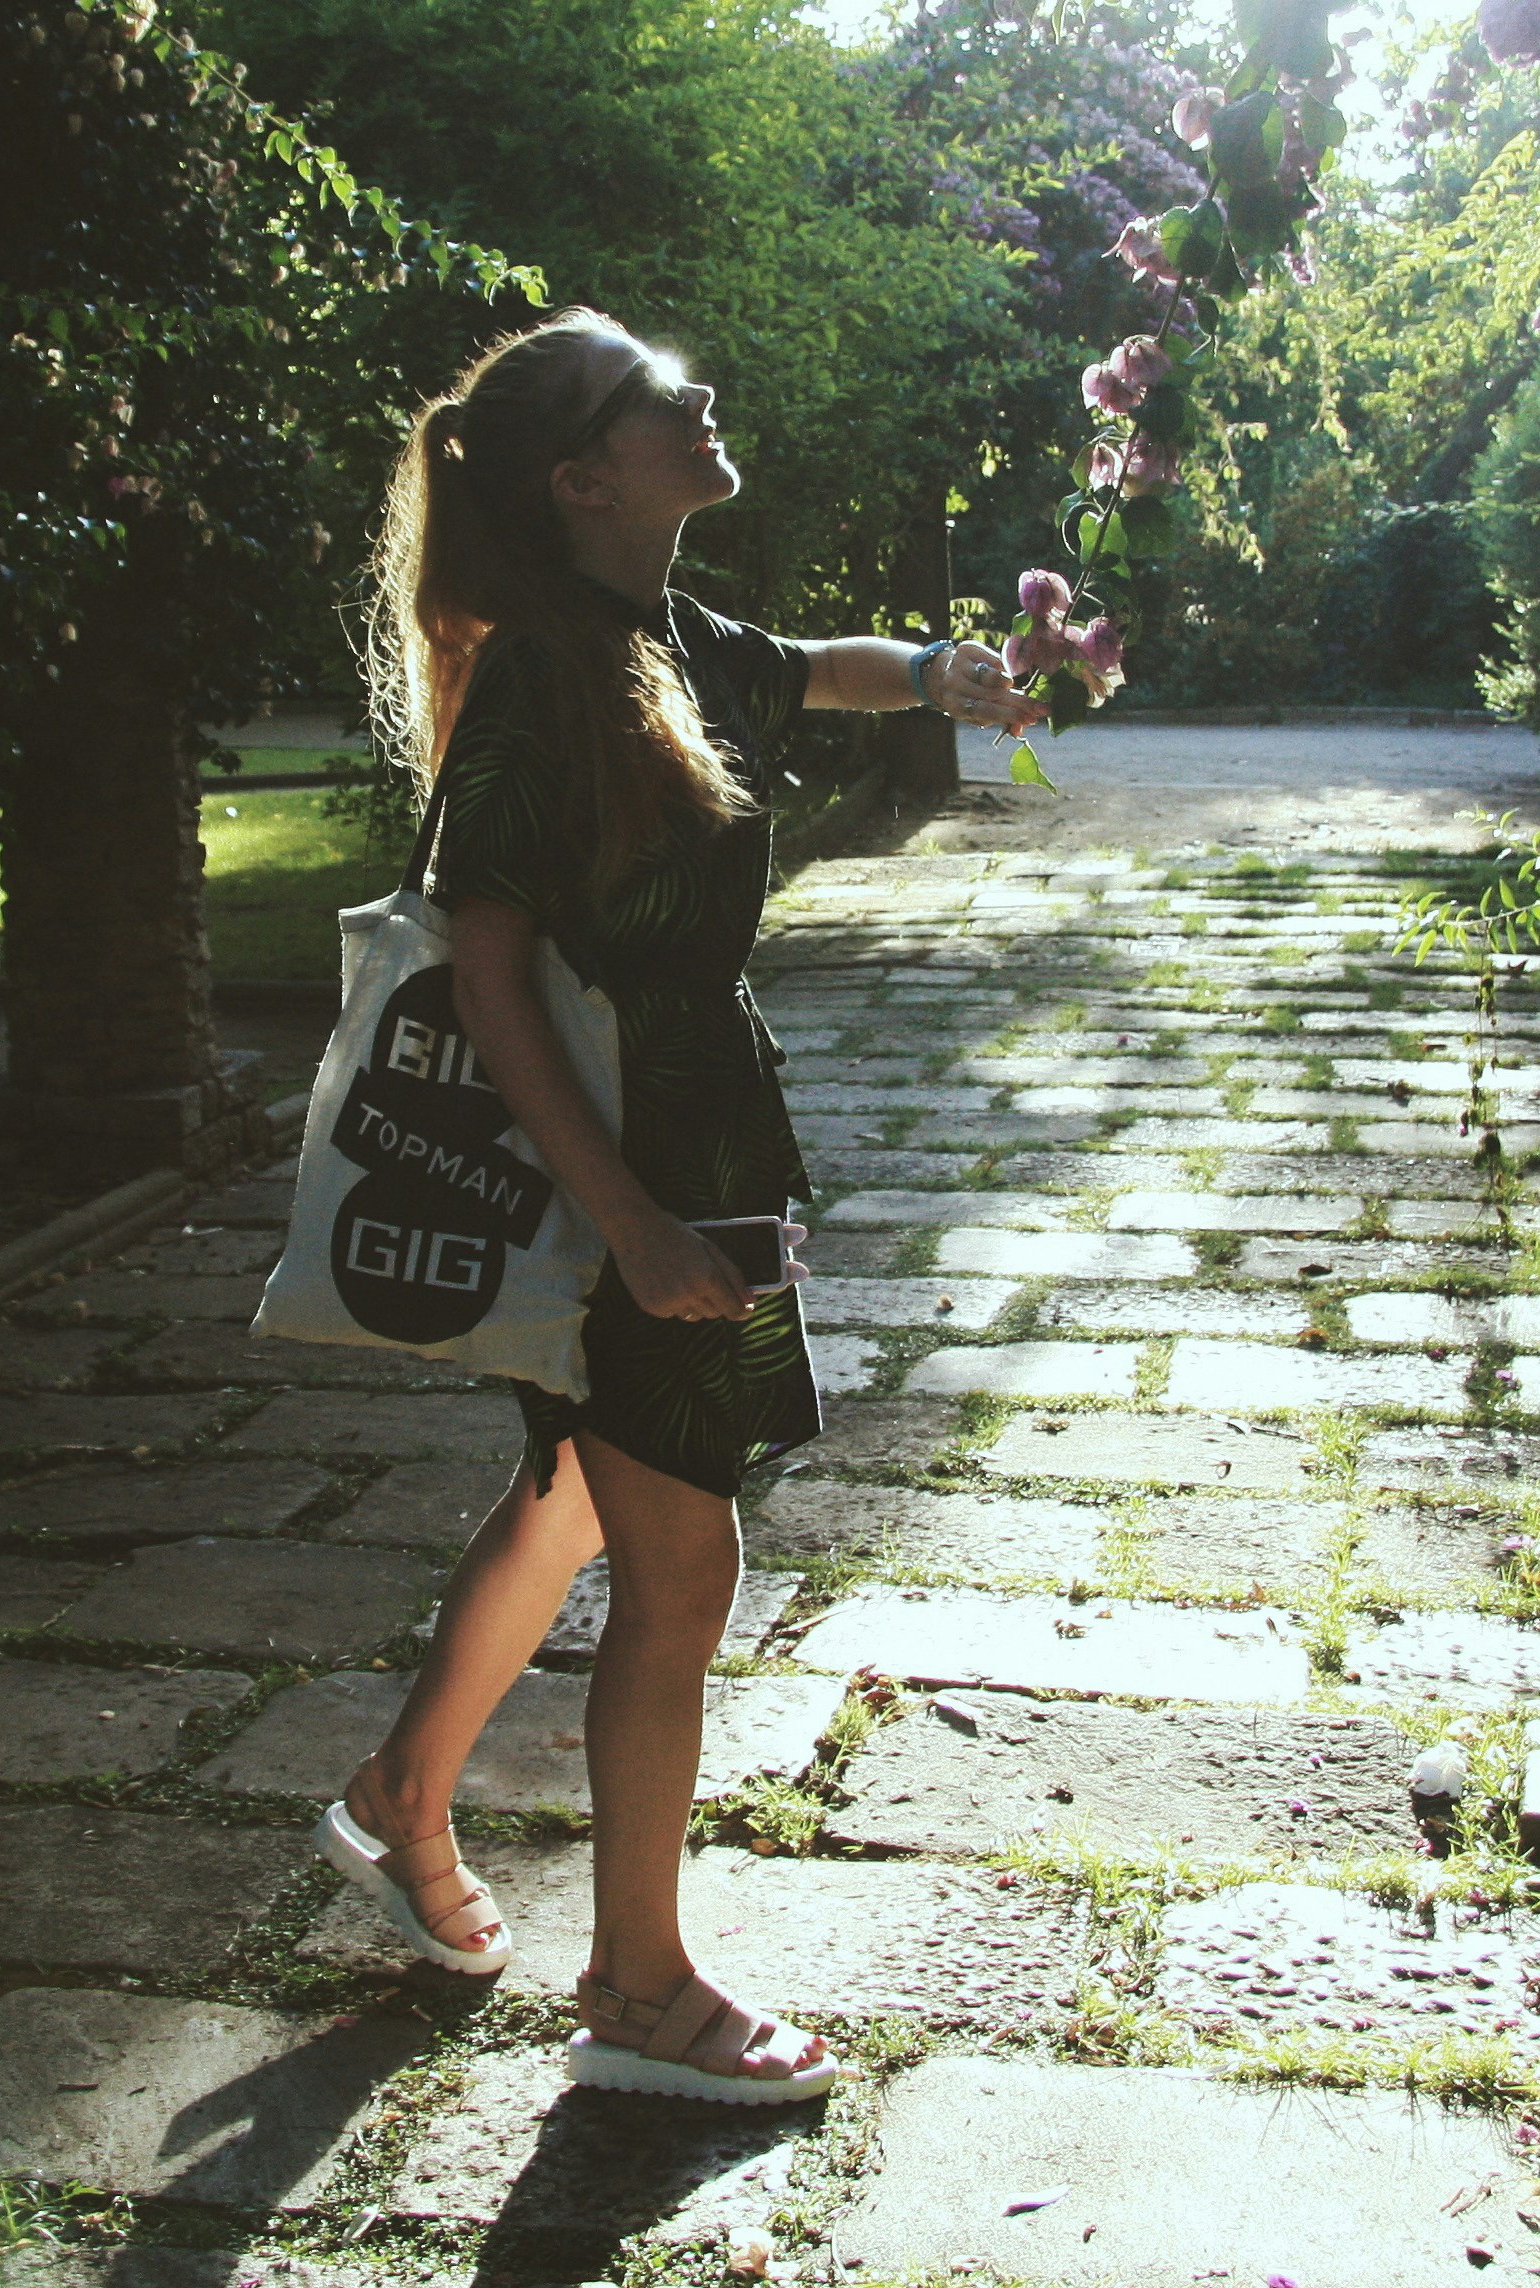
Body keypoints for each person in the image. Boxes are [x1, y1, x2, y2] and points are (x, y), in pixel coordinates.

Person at [307, 307, 1043, 2104]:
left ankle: (401, 1796)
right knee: (680, 1565)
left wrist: (958, 673)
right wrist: (629, 1220)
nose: (706, 400)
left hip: (694, 1144)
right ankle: (638, 1989)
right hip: (628, 1167)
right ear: (584, 477)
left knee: (571, 1501)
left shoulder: (670, 634)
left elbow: (819, 667)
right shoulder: (552, 678)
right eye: (666, 400)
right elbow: (485, 979)